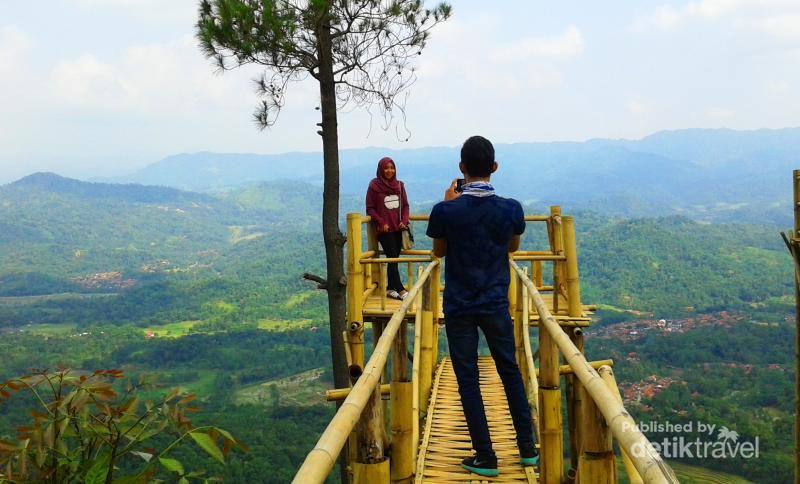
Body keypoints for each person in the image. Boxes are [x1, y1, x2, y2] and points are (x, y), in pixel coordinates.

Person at [426, 136, 538, 477]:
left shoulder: (446, 210)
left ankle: (486, 456)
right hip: (495, 302)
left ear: (461, 169)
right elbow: (512, 247)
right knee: (510, 372)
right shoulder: (511, 209)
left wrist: (449, 203)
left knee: (468, 379)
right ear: (494, 167)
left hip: (460, 304)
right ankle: (527, 449)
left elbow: (439, 253)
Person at [366, 156, 410, 300]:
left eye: (392, 167)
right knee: (393, 259)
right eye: (386, 168)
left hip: (398, 228)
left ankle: (390, 289)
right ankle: (401, 289)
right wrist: (380, 222)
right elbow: (370, 208)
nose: (389, 170)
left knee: (394, 259)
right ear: (380, 169)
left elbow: (405, 206)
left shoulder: (399, 185)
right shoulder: (374, 186)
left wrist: (404, 220)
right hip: (384, 231)